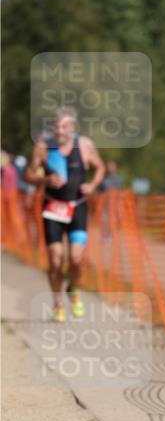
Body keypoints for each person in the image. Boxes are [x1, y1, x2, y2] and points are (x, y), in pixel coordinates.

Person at [23, 106, 105, 322]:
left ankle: (74, 289)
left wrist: (92, 185)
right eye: (57, 126)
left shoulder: (85, 145)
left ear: (73, 128)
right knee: (55, 259)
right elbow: (27, 174)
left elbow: (100, 168)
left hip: (77, 206)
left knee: (77, 259)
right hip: (52, 209)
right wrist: (44, 180)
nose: (60, 130)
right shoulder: (42, 148)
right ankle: (58, 305)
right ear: (52, 127)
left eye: (65, 126)